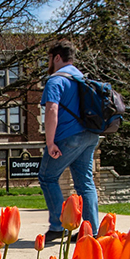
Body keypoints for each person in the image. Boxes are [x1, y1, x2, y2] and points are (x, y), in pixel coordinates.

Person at [38, 40, 100, 243]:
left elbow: (51, 109)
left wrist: (50, 143)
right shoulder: (82, 79)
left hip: (68, 136)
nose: (49, 63)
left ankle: (58, 226)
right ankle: (91, 229)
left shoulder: (55, 81)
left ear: (57, 57)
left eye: (49, 59)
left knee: (47, 177)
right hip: (90, 135)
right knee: (85, 182)